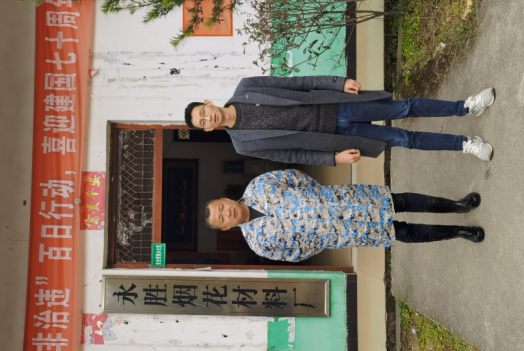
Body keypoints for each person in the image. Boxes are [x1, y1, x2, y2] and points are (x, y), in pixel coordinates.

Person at [184, 75, 495, 165]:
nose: (207, 117)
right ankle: (465, 144)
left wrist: (336, 83)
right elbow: (294, 155)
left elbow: (296, 83)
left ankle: (466, 107)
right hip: (334, 139)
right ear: (208, 129)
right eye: (203, 122)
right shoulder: (242, 145)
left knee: (403, 108)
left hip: (338, 105)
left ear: (208, 103)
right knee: (403, 139)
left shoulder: (246, 88)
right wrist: (333, 158)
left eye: (203, 112)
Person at [204, 169, 484, 263]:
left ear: (225, 199)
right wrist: (322, 237)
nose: (227, 213)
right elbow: (296, 254)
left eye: (222, 207)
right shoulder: (258, 243)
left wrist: (321, 197)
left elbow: (295, 177)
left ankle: (458, 206)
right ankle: (459, 232)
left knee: (399, 201)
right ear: (225, 227)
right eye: (222, 218)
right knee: (402, 232)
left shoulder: (258, 185)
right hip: (341, 233)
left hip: (345, 200)